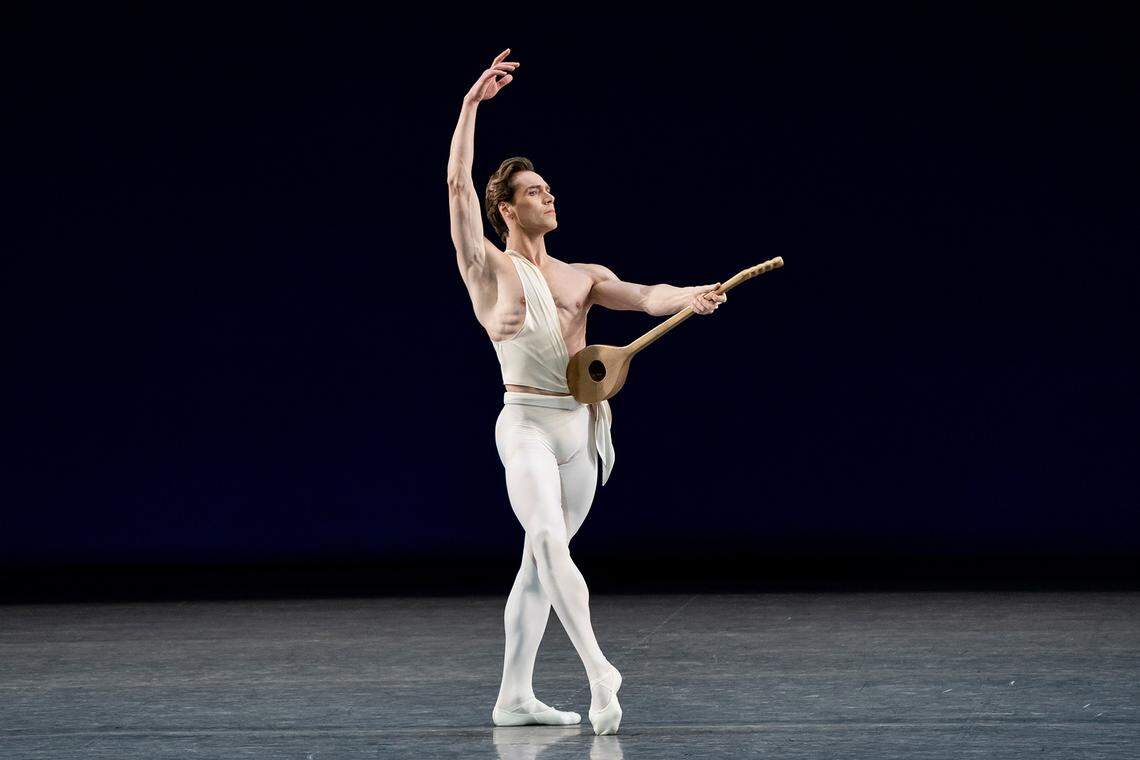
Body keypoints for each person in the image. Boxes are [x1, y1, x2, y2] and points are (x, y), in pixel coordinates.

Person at [446, 48, 726, 736]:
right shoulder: (489, 267)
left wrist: (688, 296)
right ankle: (601, 670)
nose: (550, 197)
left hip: (583, 427)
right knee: (543, 538)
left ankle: (513, 697)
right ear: (506, 208)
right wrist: (469, 107)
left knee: (540, 567)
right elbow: (456, 188)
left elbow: (646, 294)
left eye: (549, 189)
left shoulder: (581, 275)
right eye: (535, 191)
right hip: (527, 424)